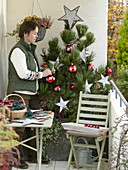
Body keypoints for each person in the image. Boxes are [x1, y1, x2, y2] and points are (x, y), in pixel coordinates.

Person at [7, 20, 52, 169]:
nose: (36, 36)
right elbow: (23, 74)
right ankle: (17, 159)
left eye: (37, 33)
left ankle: (34, 155)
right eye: (34, 33)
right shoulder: (18, 51)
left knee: (36, 124)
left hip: (31, 94)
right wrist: (42, 74)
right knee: (18, 128)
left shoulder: (29, 50)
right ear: (25, 34)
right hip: (19, 95)